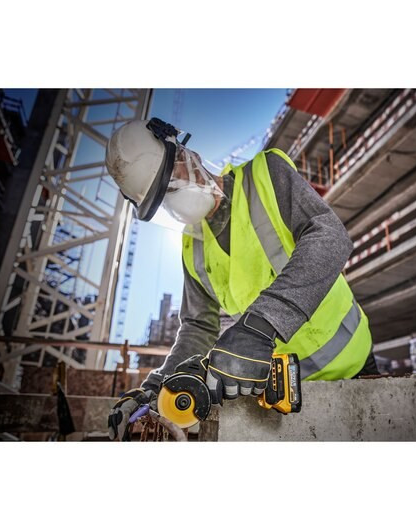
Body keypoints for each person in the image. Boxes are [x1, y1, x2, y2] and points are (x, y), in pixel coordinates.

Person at [106, 117, 376, 441]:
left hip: (353, 366)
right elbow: (198, 328)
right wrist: (157, 386)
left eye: (170, 182)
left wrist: (261, 324)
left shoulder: (265, 175)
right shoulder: (192, 248)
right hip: (284, 395)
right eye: (161, 200)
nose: (173, 201)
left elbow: (330, 236)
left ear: (185, 154)